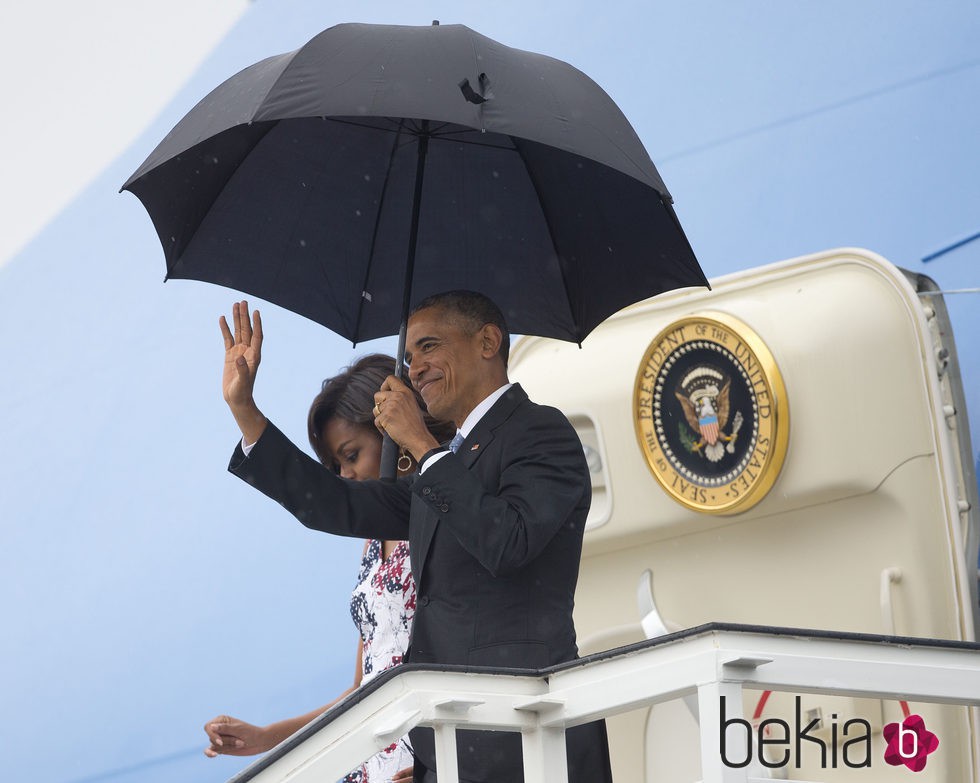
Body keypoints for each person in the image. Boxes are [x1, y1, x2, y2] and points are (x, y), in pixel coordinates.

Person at [220, 292, 612, 783]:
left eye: (429, 347)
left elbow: (507, 543)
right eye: (409, 357)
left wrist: (424, 447)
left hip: (527, 740)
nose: (415, 367)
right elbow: (337, 503)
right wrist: (245, 411)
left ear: (488, 341)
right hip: (445, 748)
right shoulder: (444, 463)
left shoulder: (541, 432)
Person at [204, 353, 451, 782]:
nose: (345, 475)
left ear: (390, 434)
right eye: (336, 466)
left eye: (351, 455)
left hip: (434, 752)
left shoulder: (446, 513)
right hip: (375, 754)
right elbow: (363, 688)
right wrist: (265, 738)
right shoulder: (372, 546)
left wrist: (439, 763)